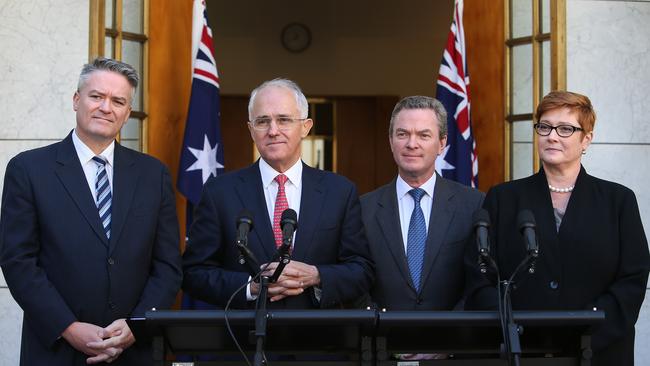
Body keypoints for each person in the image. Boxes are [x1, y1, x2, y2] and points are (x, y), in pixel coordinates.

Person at [0, 57, 183, 365]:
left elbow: (167, 266)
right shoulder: (28, 169)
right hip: (56, 351)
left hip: (133, 352)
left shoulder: (154, 175)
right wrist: (67, 327)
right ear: (76, 100)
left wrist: (136, 326)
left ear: (126, 114)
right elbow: (18, 261)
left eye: (118, 101)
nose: (105, 107)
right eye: (96, 96)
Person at [464, 91, 650, 365]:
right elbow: (479, 274)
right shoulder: (503, 198)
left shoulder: (618, 200)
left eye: (565, 129)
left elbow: (632, 278)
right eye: (545, 126)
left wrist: (586, 331)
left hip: (597, 352)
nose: (552, 136)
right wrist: (510, 327)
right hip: (520, 352)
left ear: (586, 139)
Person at [182, 78, 373, 309]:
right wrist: (252, 287)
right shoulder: (219, 193)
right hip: (244, 338)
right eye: (263, 121)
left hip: (320, 338)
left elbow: (361, 270)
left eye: (284, 120)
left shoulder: (340, 192)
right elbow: (193, 273)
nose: (273, 131)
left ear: (306, 127)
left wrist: (316, 275)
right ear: (251, 130)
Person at [361, 95, 484, 311]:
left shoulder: (474, 205)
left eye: (423, 135)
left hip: (453, 338)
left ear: (442, 143)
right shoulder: (363, 209)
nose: (411, 144)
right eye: (402, 134)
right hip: (383, 338)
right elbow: (356, 278)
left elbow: (479, 282)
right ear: (391, 141)